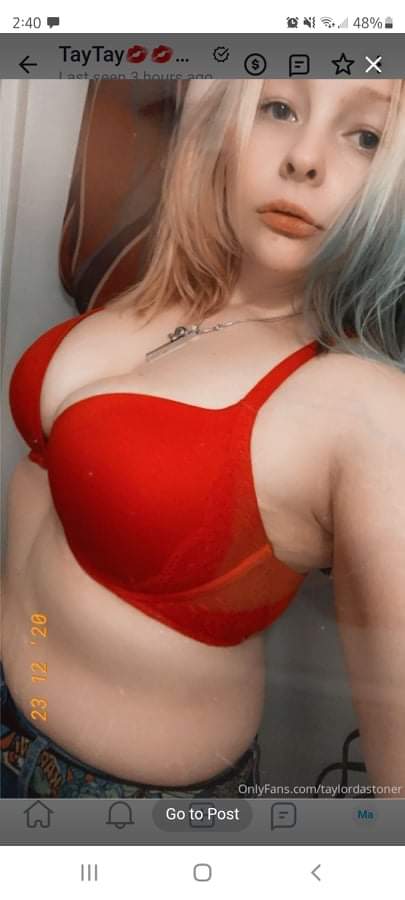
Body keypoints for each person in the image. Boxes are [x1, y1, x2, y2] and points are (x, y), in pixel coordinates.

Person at [1, 78, 404, 799]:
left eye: (366, 136)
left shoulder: (364, 407)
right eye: (278, 107)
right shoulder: (164, 291)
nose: (304, 157)